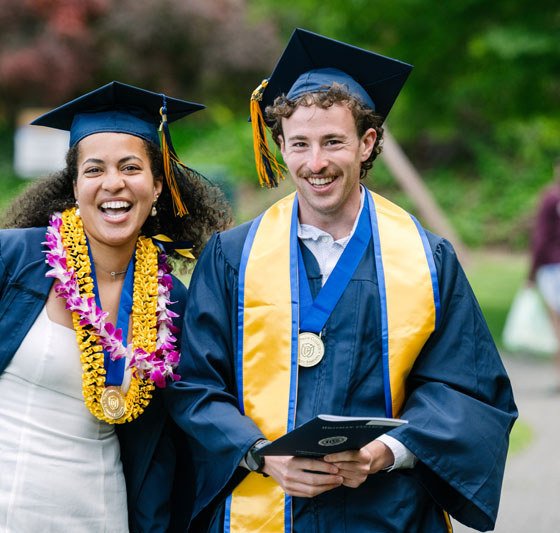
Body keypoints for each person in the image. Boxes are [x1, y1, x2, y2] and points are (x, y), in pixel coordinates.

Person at [165, 29, 517, 532]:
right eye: (300, 144)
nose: (316, 163)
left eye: (333, 141)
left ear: (366, 142)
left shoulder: (426, 258)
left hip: (387, 515)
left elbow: (467, 390)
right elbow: (194, 384)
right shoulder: (232, 258)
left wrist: (385, 452)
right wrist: (259, 454)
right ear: (280, 145)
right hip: (263, 511)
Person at [0, 81, 231, 532]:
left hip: (95, 513)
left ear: (157, 186)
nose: (113, 183)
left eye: (131, 167)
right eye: (94, 170)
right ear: (74, 185)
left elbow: (178, 438)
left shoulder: (171, 306)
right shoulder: (10, 259)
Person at [528, 156, 560, 375]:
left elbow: (540, 239)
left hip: (551, 267)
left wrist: (530, 274)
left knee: (556, 323)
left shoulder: (550, 198)